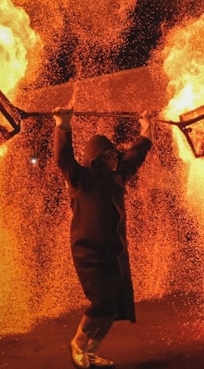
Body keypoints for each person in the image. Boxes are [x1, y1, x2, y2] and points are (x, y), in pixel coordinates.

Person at [53, 107, 154, 368]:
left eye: (114, 155)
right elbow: (63, 159)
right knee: (102, 302)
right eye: (109, 155)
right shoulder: (79, 178)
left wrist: (146, 127)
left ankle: (92, 351)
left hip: (114, 252)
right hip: (90, 251)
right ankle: (77, 344)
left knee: (115, 305)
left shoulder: (116, 179)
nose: (114, 158)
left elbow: (136, 156)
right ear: (97, 157)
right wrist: (63, 125)